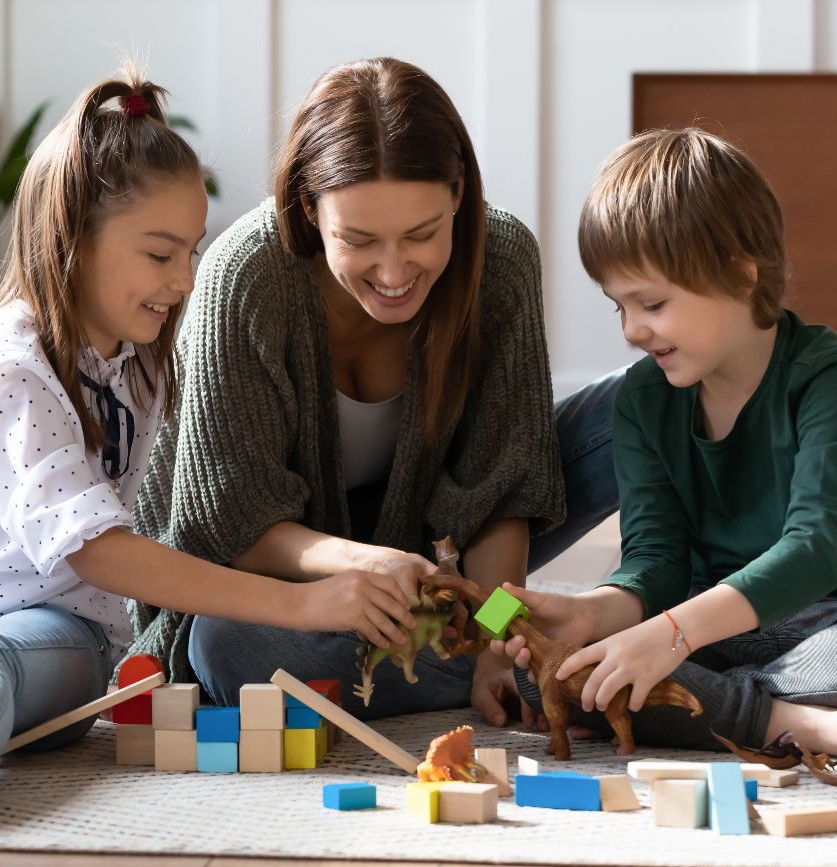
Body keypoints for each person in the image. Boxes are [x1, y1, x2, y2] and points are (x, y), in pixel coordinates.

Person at [0, 70, 416, 836]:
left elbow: (111, 558)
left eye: (191, 250)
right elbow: (96, 549)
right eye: (161, 254)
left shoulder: (143, 363)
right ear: (73, 239)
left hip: (49, 648)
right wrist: (302, 602)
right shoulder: (8, 360)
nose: (184, 279)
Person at [130, 57, 621, 723]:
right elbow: (231, 529)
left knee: (632, 406)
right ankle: (579, 652)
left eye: (423, 235)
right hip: (282, 581)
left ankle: (587, 630)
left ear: (458, 196)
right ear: (309, 208)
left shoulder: (500, 260)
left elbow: (501, 499)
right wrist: (364, 563)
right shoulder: (247, 276)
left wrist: (494, 641)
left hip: (447, 576)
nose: (394, 271)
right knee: (226, 648)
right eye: (358, 241)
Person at [492, 127, 837, 769]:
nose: (632, 330)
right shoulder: (643, 399)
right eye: (618, 306)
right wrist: (591, 613)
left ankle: (715, 711)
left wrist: (667, 638)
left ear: (739, 273)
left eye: (652, 303)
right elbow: (657, 559)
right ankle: (796, 722)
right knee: (550, 674)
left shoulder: (830, 377)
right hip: (709, 634)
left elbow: (819, 548)